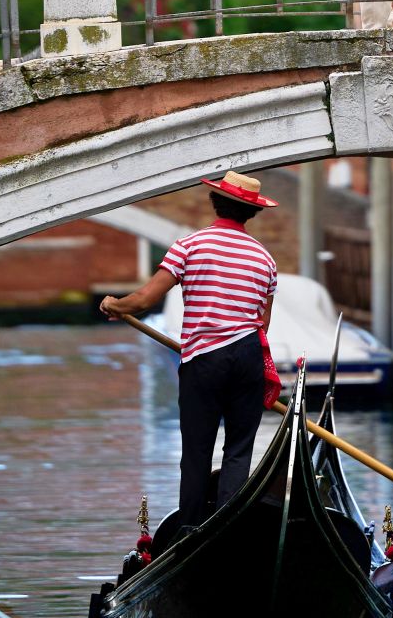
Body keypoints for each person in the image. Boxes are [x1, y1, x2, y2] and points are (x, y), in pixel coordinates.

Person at [100, 170, 279, 529]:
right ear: (252, 213)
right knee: (238, 453)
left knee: (197, 452)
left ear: (215, 204)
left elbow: (145, 299)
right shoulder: (266, 260)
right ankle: (229, 525)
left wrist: (114, 305)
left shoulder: (190, 246)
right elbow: (263, 325)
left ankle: (192, 529)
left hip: (205, 360)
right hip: (247, 358)